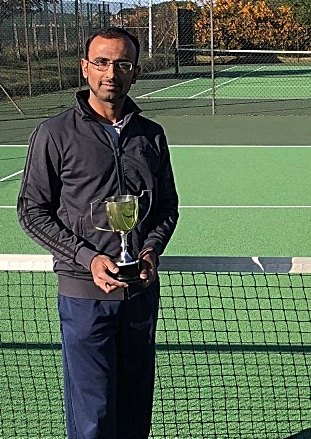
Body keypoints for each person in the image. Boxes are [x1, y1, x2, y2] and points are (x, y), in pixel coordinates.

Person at [17, 27, 179, 439]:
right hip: (84, 297)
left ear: (135, 72)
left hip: (140, 294)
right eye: (102, 62)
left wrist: (150, 251)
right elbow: (31, 212)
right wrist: (89, 259)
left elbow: (165, 207)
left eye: (122, 64)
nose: (112, 73)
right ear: (85, 68)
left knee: (134, 407)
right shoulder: (54, 134)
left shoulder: (151, 135)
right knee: (93, 414)